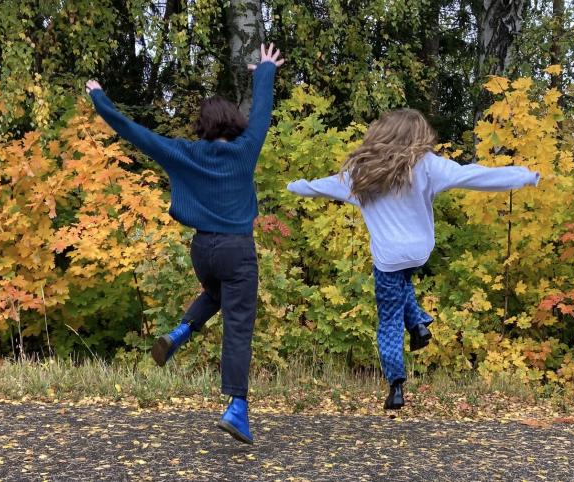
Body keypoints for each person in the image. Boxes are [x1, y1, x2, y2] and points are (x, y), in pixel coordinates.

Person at [86, 43, 285, 444]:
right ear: (234, 122)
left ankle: (180, 332)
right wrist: (265, 70)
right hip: (236, 250)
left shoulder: (184, 153)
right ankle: (237, 408)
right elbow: (263, 112)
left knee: (216, 293)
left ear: (204, 125)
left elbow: (134, 132)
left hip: (203, 252)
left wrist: (99, 99)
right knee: (239, 326)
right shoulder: (246, 150)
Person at [287, 109, 539, 410]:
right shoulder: (428, 166)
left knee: (390, 319)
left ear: (382, 134)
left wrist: (294, 186)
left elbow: (319, 186)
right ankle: (418, 323)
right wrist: (522, 175)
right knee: (402, 281)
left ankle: (395, 384)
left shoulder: (361, 173)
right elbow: (473, 175)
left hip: (389, 256)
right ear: (418, 136)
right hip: (420, 251)